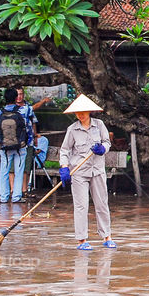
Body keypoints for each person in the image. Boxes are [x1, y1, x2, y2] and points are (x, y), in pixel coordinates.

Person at [59, 94, 115, 251]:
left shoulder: (99, 125)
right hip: (78, 172)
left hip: (97, 170)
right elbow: (65, 150)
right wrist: (64, 167)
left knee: (102, 203)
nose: (80, 115)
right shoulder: (72, 130)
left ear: (89, 111)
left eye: (83, 112)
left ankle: (107, 236)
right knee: (81, 206)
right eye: (77, 112)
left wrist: (103, 148)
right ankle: (81, 240)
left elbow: (107, 142)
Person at [0, 88, 34, 203]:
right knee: (19, 170)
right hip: (20, 146)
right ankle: (16, 197)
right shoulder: (23, 111)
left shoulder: (0, 112)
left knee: (4, 171)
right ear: (16, 98)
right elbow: (28, 128)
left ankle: (3, 197)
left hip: (5, 147)